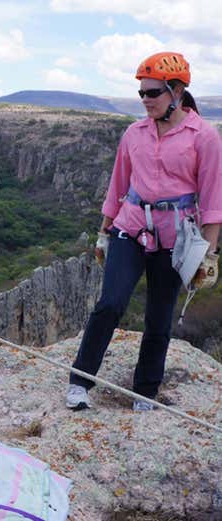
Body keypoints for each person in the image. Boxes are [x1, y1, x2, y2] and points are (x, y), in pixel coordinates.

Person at [66, 52, 222, 412]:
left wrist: (209, 253)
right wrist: (104, 230)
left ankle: (144, 391)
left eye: (152, 93)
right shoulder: (134, 133)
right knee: (110, 304)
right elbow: (118, 183)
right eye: (142, 94)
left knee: (158, 317)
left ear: (177, 91)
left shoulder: (204, 137)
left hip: (175, 238)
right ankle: (79, 381)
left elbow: (213, 198)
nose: (145, 100)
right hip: (130, 227)